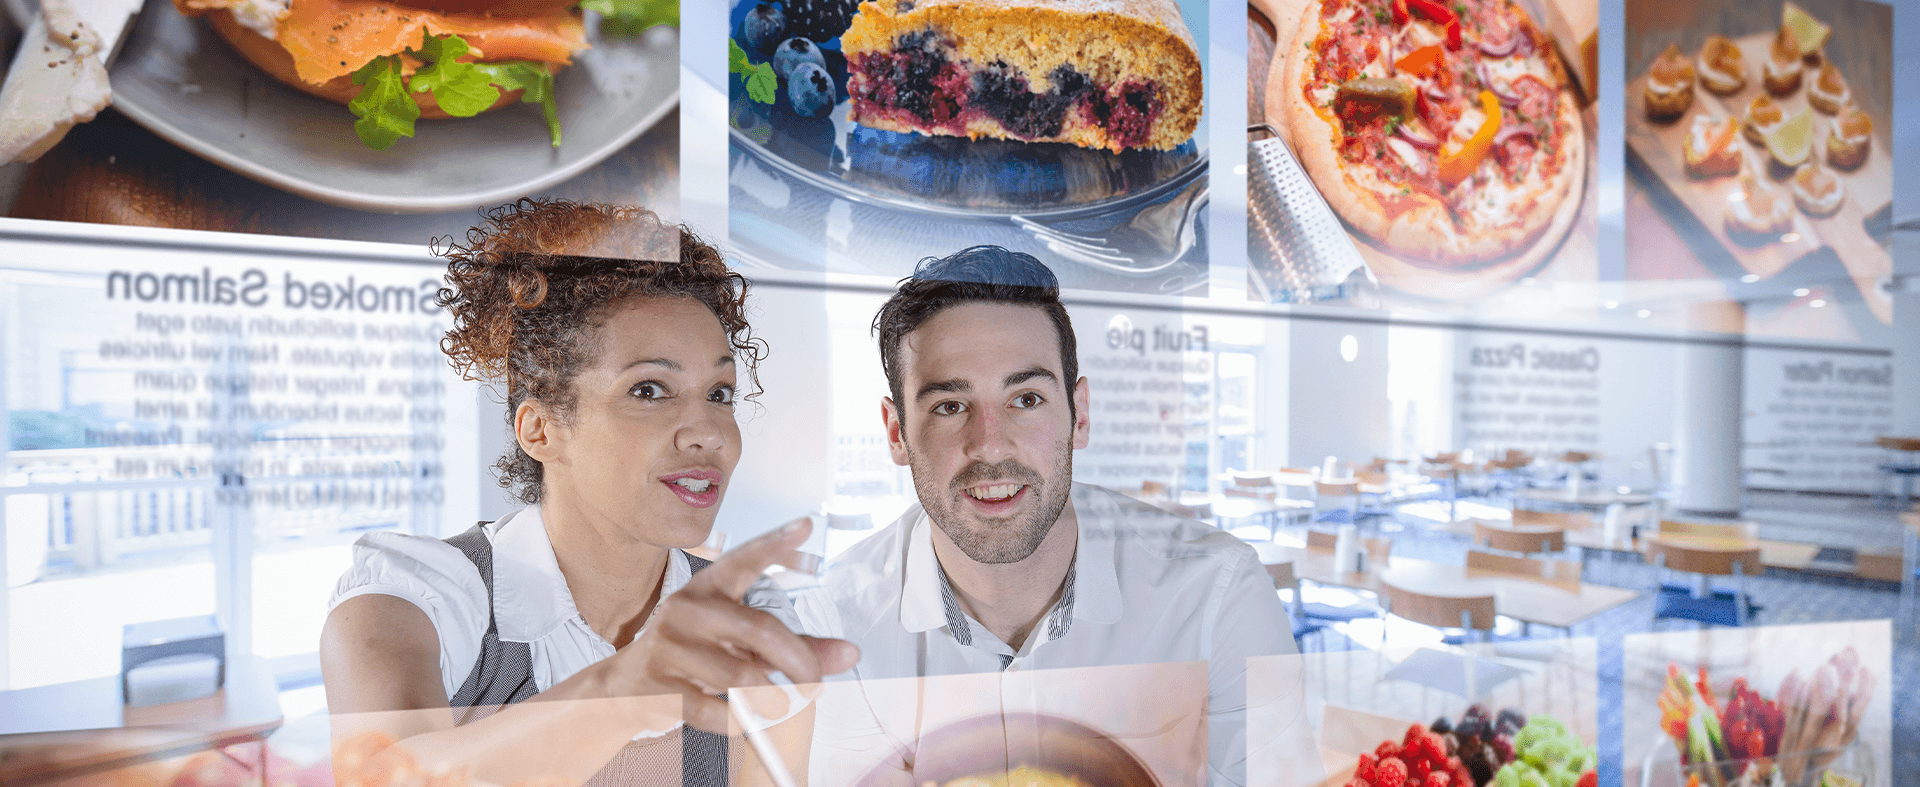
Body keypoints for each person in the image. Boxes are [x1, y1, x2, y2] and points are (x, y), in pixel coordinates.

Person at [320, 200, 857, 787]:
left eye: (719, 393)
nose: (709, 433)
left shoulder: (757, 624)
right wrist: (621, 693)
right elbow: (381, 777)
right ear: (540, 430)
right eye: (649, 390)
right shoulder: (410, 602)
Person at [782, 246, 1315, 786]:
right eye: (949, 406)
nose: (990, 446)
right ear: (897, 433)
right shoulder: (837, 623)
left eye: (1026, 399)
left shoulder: (1218, 594)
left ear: (1079, 416)